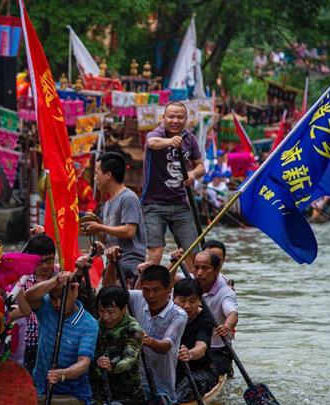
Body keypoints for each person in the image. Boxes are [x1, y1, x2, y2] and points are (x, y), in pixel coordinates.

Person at [21, 271, 98, 405]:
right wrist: (56, 280)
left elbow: (84, 363)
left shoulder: (88, 324)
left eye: (61, 298)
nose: (56, 304)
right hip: (41, 388)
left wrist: (62, 374)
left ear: (75, 290)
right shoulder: (46, 307)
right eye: (52, 298)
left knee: (33, 402)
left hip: (73, 396)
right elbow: (28, 296)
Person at [142, 101, 206, 271]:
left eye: (180, 117)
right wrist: (170, 142)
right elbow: (152, 143)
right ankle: (150, 289)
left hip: (180, 203)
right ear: (163, 118)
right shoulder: (156, 133)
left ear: (186, 119)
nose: (175, 120)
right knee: (155, 251)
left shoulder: (189, 138)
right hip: (154, 204)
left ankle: (192, 291)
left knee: (192, 251)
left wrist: (193, 174)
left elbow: (201, 166)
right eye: (171, 116)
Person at [125, 263, 187, 403]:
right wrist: (111, 262)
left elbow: (165, 346)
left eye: (156, 290)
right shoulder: (138, 298)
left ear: (169, 289)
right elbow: (110, 292)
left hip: (161, 390)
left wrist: (147, 340)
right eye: (146, 290)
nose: (150, 296)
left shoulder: (179, 315)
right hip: (134, 385)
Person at [81, 151, 147, 282]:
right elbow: (107, 239)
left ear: (108, 175)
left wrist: (100, 226)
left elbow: (129, 231)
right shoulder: (107, 204)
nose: (95, 178)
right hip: (112, 263)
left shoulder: (128, 198)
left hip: (129, 264)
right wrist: (95, 228)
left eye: (96, 173)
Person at [90, 285, 144, 405]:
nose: (106, 317)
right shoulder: (95, 325)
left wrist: (112, 366)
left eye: (111, 312)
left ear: (124, 309)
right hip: (99, 392)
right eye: (102, 311)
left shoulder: (134, 330)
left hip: (126, 393)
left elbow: (129, 360)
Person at [12, 233, 57, 373]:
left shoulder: (61, 276)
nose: (45, 266)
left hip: (53, 342)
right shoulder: (21, 278)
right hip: (26, 343)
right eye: (39, 262)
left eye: (49, 260)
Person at [172, 277, 218, 403]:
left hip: (200, 371)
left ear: (199, 300)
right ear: (173, 299)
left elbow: (202, 347)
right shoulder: (167, 314)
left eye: (192, 301)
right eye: (182, 300)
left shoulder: (205, 319)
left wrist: (189, 354)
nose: (187, 306)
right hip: (174, 370)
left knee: (189, 385)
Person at [193, 251, 238, 377]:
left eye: (205, 268)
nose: (199, 273)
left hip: (217, 350)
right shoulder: (189, 284)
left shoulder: (226, 292)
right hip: (191, 348)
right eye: (196, 268)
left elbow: (233, 313)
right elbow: (168, 280)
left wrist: (227, 326)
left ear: (216, 270)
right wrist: (173, 263)